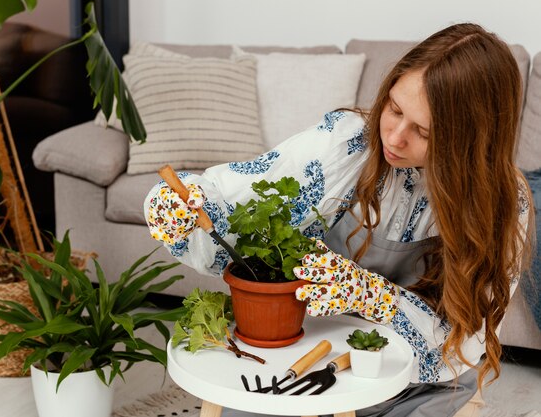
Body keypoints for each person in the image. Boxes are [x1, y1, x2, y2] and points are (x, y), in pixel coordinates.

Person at [144, 23, 534, 416]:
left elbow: (468, 338)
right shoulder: (349, 141)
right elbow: (241, 193)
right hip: (318, 354)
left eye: (424, 132)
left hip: (419, 381)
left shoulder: (502, 202)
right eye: (394, 109)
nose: (395, 137)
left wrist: (374, 297)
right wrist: (186, 205)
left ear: (468, 141)